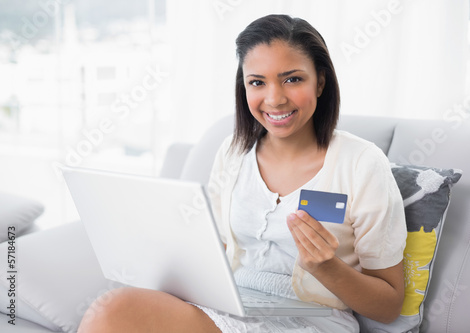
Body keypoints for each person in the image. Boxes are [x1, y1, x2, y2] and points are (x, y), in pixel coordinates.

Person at [78, 14, 406, 333]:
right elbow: (216, 253)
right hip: (233, 305)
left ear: (320, 81)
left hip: (314, 319)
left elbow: (389, 306)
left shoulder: (362, 164)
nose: (275, 99)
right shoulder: (233, 153)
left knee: (114, 310)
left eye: (292, 79)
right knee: (117, 310)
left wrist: (327, 267)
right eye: (257, 83)